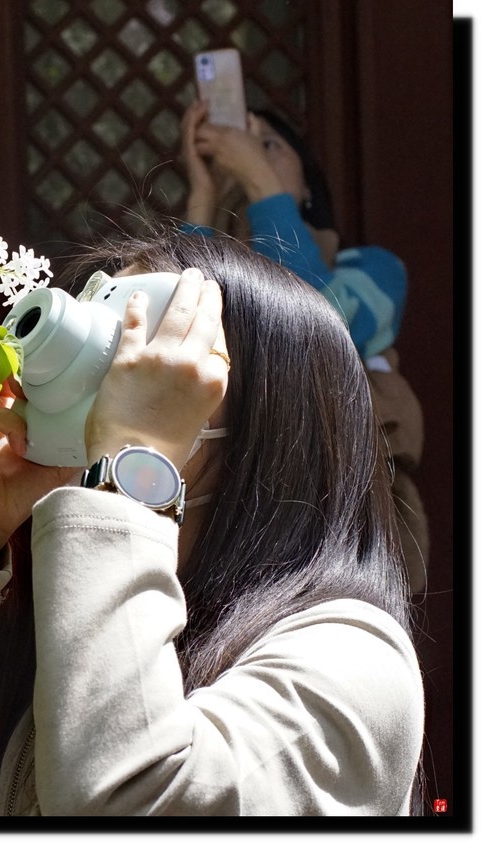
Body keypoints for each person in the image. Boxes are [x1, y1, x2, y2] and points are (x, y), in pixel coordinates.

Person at [0, 229, 424, 816]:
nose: (113, 374)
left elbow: (121, 804)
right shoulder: (16, 643)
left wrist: (131, 466)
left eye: (148, 350)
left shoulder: (352, 659)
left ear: (266, 422)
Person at [179, 100, 429, 593]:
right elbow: (176, 329)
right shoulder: (211, 274)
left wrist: (262, 185)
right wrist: (202, 199)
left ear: (308, 184)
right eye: (226, 149)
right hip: (224, 513)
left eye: (267, 144)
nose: (243, 154)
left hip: (334, 522)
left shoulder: (374, 268)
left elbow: (320, 328)